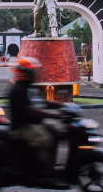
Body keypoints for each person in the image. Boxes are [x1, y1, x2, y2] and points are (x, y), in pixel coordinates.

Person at [7, 57, 64, 185]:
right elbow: (31, 110)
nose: (34, 75)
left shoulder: (28, 87)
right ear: (25, 73)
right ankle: (44, 173)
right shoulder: (18, 90)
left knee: (57, 131)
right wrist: (52, 115)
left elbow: (41, 102)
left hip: (34, 123)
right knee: (46, 140)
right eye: (32, 72)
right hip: (23, 127)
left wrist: (61, 105)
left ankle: (51, 166)